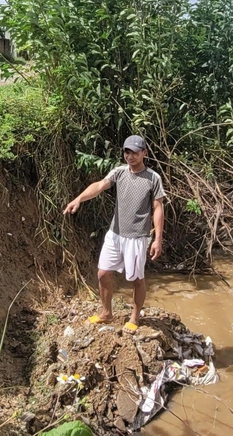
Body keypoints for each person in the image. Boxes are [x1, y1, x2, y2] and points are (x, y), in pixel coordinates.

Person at [63, 135, 165, 334]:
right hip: (115, 233)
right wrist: (79, 199)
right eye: (127, 152)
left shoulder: (153, 178)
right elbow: (99, 186)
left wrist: (158, 239)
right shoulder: (119, 172)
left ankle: (135, 318)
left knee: (136, 278)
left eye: (135, 152)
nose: (130, 156)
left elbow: (158, 207)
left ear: (144, 153)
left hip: (137, 238)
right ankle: (106, 313)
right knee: (103, 273)